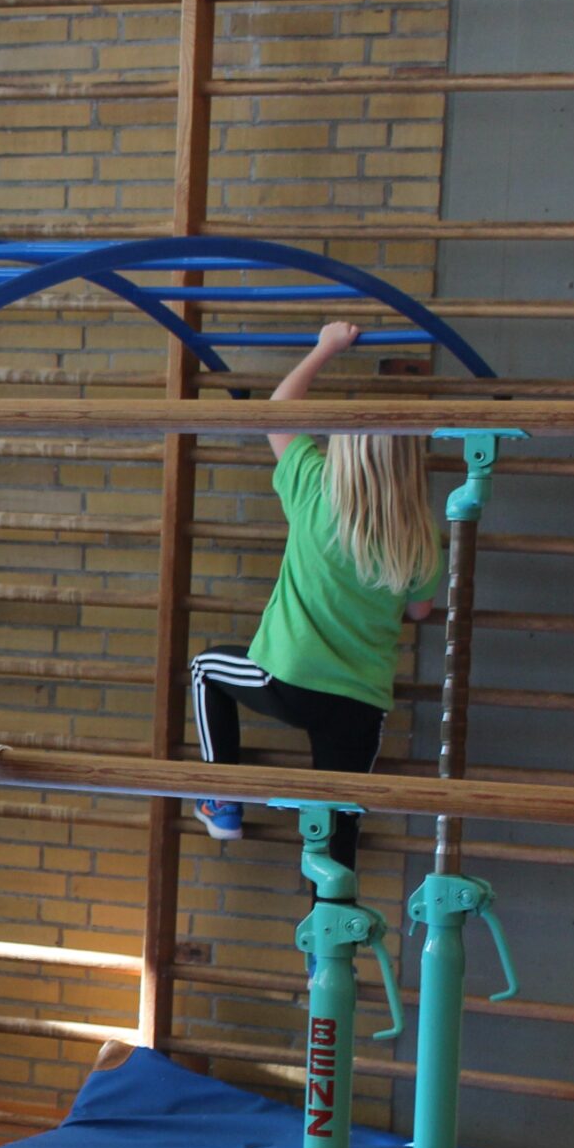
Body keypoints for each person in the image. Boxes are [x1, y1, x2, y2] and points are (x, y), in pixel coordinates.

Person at [188, 321, 438, 871]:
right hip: (360, 706)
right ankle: (327, 953)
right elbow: (421, 609)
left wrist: (326, 347)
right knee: (337, 830)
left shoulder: (315, 487)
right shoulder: (417, 533)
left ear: (343, 449)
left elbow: (279, 408)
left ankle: (222, 800)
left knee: (206, 670)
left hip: (291, 680)